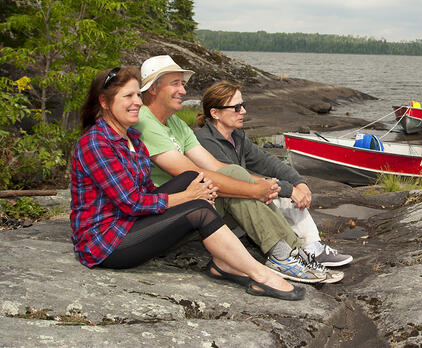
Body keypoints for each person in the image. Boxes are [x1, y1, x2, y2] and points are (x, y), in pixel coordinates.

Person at [69, 66, 304, 301]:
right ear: (104, 102)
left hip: (132, 223)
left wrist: (196, 190)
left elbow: (147, 190)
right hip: (106, 242)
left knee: (194, 177)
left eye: (137, 95)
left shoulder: (133, 139)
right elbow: (132, 202)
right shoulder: (96, 143)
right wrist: (189, 197)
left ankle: (228, 262)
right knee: (198, 208)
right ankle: (259, 274)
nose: (137, 102)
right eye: (128, 96)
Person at [132, 55, 341, 284]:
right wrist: (253, 189)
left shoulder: (176, 123)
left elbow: (215, 166)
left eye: (183, 83)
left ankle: (291, 252)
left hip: (193, 206)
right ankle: (284, 256)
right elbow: (192, 174)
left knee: (236, 174)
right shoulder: (144, 121)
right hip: (166, 215)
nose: (183, 90)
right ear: (152, 89)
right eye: (175, 83)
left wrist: (260, 186)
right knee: (238, 182)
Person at [194, 81, 352, 267]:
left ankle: (311, 247)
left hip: (239, 207)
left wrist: (298, 182)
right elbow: (235, 179)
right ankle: (297, 252)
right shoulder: (204, 141)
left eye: (243, 105)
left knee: (282, 192)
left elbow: (268, 162)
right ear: (215, 113)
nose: (243, 111)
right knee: (281, 195)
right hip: (222, 212)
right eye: (236, 107)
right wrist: (288, 189)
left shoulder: (236, 137)